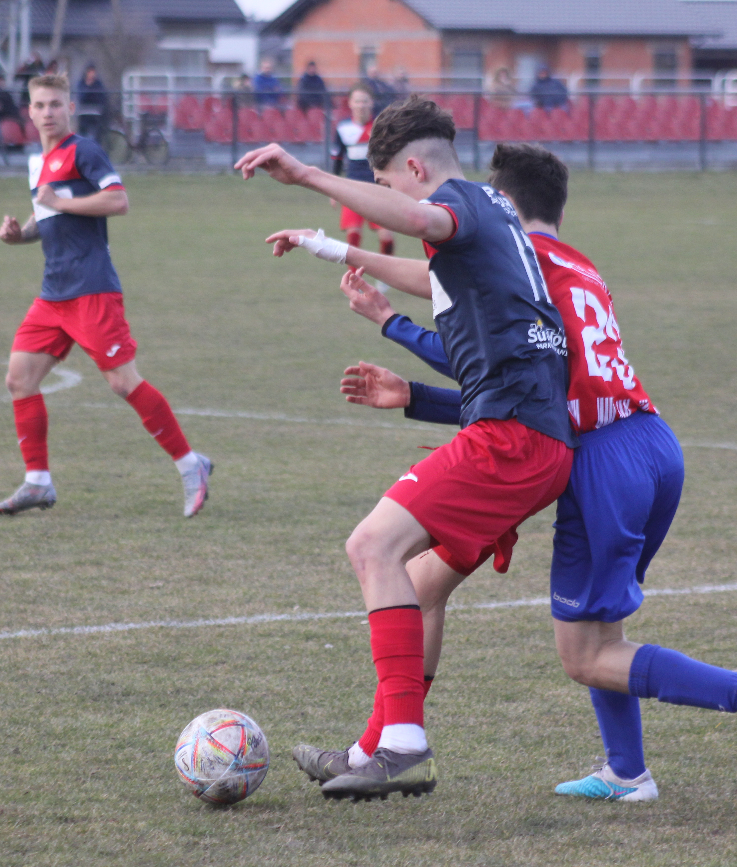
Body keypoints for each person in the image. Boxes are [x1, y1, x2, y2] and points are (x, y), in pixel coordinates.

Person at [269, 142, 737, 799]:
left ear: (503, 209)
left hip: (596, 457)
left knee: (585, 653)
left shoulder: (519, 263)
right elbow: (506, 363)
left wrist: (378, 308)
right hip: (646, 443)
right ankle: (621, 771)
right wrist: (361, 288)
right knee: (457, 591)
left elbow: (470, 342)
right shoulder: (579, 266)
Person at [236, 97, 577, 800]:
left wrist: (306, 175)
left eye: (387, 184)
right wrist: (333, 247)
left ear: (415, 167)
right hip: (532, 438)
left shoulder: (454, 203)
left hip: (509, 438)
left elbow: (422, 221)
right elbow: (436, 278)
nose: (388, 199)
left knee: (372, 546)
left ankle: (402, 739)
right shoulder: (492, 210)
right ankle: (372, 747)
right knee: (419, 587)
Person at [0, 74, 212, 518]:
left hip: (92, 289)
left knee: (123, 383)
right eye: (40, 105)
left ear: (69, 107)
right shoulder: (38, 164)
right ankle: (37, 483)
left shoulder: (84, 151)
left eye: (56, 104)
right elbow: (48, 220)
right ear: (29, 113)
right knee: (20, 378)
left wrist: (61, 202)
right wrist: (20, 236)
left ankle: (192, 466)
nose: (49, 112)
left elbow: (118, 201)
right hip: (53, 293)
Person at [331, 83, 394, 259]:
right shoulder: (343, 128)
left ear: (371, 103)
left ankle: (387, 275)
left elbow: (392, 157)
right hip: (353, 188)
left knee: (387, 238)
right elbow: (337, 159)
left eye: (365, 101)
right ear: (350, 103)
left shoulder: (380, 127)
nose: (361, 105)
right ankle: (353, 279)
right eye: (357, 101)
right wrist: (333, 190)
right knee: (353, 236)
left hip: (378, 189)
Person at [74, 65, 106, 140]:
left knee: (94, 136)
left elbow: (101, 98)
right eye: (90, 72)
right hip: (83, 115)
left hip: (95, 115)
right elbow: (81, 97)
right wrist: (88, 87)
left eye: (93, 72)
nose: (92, 74)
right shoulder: (82, 83)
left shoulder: (98, 84)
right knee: (83, 136)